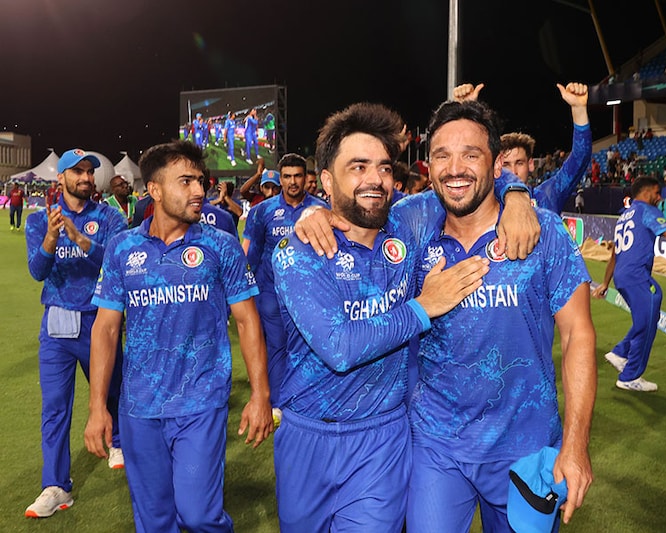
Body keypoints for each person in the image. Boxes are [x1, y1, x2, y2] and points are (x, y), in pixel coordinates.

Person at [271, 102, 493, 532]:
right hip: (306, 435)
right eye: (358, 167)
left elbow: (469, 184)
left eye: (384, 168)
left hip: (381, 437)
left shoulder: (407, 228)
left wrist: (518, 194)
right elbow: (340, 348)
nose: (375, 179)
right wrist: (422, 307)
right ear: (326, 180)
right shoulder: (298, 252)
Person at [403, 99, 596, 532]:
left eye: (471, 155)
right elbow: (359, 211)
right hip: (436, 444)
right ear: (428, 168)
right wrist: (317, 216)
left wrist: (576, 443)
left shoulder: (544, 234)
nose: (455, 169)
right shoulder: (411, 229)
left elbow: (578, 335)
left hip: (524, 449)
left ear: (495, 168)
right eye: (442, 156)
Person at [84, 140, 273, 532]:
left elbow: (247, 321)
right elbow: (105, 328)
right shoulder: (123, 248)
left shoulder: (220, 245)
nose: (199, 191)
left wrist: (260, 394)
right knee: (154, 521)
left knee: (199, 514)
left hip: (201, 402)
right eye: (185, 181)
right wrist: (97, 406)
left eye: (199, 181)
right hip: (139, 407)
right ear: (154, 189)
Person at [24, 148, 128, 518]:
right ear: (61, 179)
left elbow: (115, 262)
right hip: (57, 322)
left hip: (100, 320)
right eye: (78, 172)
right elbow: (38, 271)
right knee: (55, 408)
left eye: (89, 172)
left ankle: (117, 442)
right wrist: (53, 237)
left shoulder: (110, 217)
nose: (86, 178)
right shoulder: (39, 221)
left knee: (114, 390)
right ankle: (55, 486)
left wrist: (79, 238)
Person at [592, 176, 666, 392]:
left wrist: (606, 282)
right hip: (636, 276)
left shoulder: (624, 216)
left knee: (646, 316)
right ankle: (630, 376)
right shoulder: (648, 211)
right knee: (652, 304)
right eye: (656, 193)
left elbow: (615, 255)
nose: (658, 198)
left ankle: (620, 352)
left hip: (622, 277)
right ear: (646, 193)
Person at [241, 153, 327, 407]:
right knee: (277, 348)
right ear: (280, 178)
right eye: (287, 176)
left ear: (305, 177)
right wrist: (248, 292)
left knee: (309, 348)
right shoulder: (263, 211)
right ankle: (279, 403)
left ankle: (307, 397)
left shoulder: (322, 210)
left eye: (298, 176)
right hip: (270, 293)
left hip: (309, 294)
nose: (292, 182)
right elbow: (252, 254)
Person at [454, 81, 592, 213]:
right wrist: (465, 112)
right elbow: (464, 158)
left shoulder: (547, 195)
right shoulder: (484, 202)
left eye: (519, 163)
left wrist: (578, 109)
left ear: (530, 164)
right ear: (497, 166)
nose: (514, 171)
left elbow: (580, 158)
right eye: (506, 164)